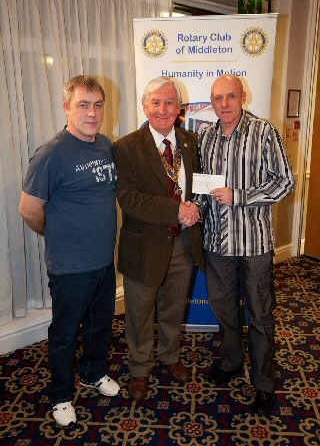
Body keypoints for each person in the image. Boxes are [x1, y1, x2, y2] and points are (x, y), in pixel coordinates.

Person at [19, 75, 119, 427]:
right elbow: (29, 209)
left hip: (104, 261)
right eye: (83, 104)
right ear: (67, 107)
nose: (91, 112)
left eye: (97, 105)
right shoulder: (51, 154)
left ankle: (92, 374)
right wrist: (57, 234)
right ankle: (60, 395)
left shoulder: (105, 145)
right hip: (70, 265)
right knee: (65, 334)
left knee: (100, 325)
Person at [198, 74, 295, 415]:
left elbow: (285, 182)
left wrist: (240, 196)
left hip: (253, 243)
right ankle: (231, 362)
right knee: (223, 309)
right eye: (217, 98)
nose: (223, 104)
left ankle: (264, 383)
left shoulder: (263, 131)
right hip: (217, 243)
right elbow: (204, 189)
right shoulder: (205, 136)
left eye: (229, 97)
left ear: (242, 97)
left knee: (260, 316)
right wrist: (192, 210)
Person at [113, 76, 204, 400]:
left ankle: (169, 356)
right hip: (144, 246)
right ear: (145, 106)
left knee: (173, 307)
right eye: (156, 102)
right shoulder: (125, 147)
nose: (162, 109)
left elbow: (201, 187)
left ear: (179, 108)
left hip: (183, 244)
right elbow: (129, 198)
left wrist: (196, 209)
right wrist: (176, 211)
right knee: (140, 312)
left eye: (169, 102)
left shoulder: (191, 141)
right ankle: (139, 367)